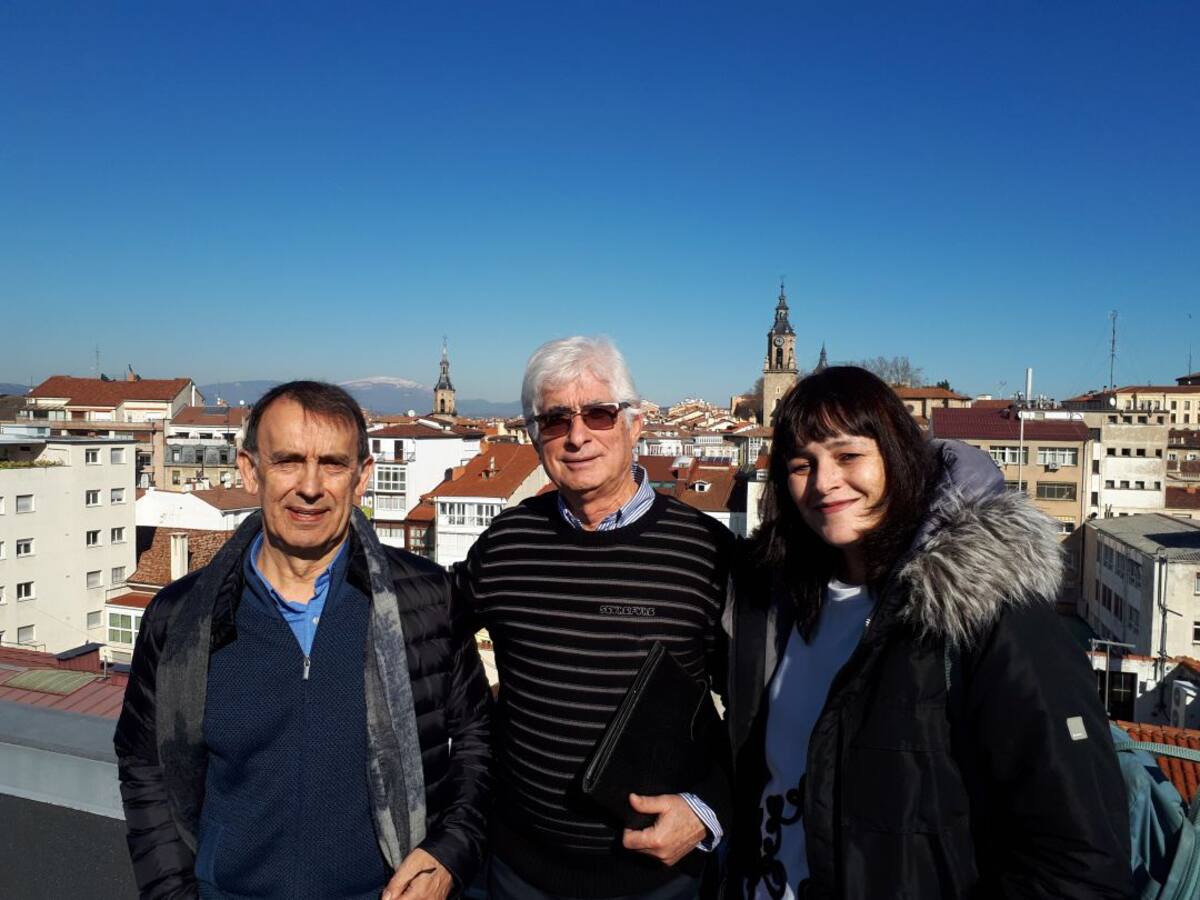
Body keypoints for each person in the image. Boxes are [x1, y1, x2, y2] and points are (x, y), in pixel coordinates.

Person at [725, 366, 1132, 899]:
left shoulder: (983, 610)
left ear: (896, 455)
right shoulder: (778, 602)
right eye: (802, 465)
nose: (824, 483)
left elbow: (1079, 863)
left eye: (848, 456)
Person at [114, 381, 491, 900]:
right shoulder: (181, 617)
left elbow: (477, 739)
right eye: (288, 461)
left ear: (362, 478)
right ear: (251, 470)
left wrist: (450, 852)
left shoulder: (424, 600)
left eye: (332, 464)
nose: (310, 487)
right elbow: (145, 767)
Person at [453, 336, 733, 900]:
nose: (577, 436)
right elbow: (425, 630)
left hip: (660, 881)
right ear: (535, 437)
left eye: (599, 414)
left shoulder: (708, 552)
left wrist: (709, 809)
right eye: (555, 420)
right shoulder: (507, 542)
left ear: (635, 424)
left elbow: (765, 712)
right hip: (518, 870)